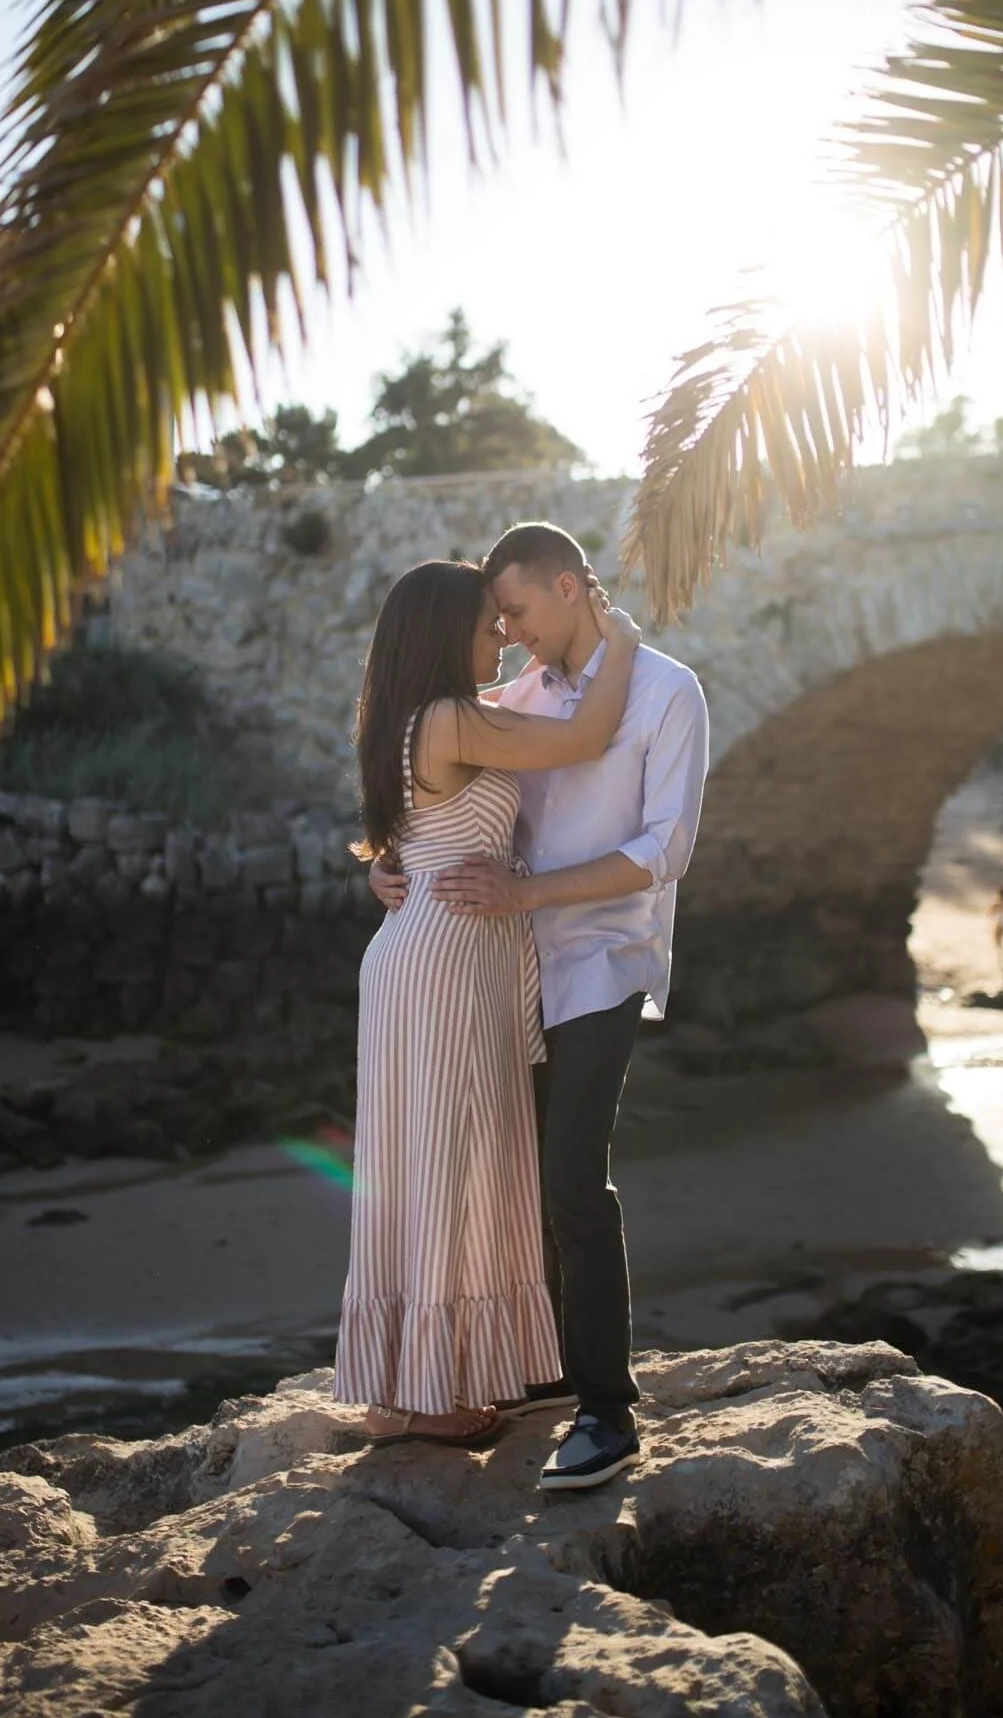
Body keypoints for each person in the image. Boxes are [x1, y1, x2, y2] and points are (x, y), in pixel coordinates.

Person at [371, 521, 710, 1491]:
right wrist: (392, 867)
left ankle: (606, 1408)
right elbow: (436, 800)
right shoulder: (510, 699)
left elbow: (663, 849)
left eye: (514, 610)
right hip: (502, 967)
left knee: (569, 1176)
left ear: (569, 587)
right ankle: (546, 1370)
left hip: (602, 958)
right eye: (495, 619)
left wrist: (527, 894)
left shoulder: (666, 690)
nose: (507, 632)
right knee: (513, 1174)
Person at [334, 559, 640, 1446]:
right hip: (448, 959)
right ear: (441, 637)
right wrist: (617, 639)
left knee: (426, 1161)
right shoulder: (447, 719)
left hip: (430, 949)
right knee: (445, 1164)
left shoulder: (417, 717)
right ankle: (427, 1401)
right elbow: (583, 737)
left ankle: (418, 1381)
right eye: (484, 625)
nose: (500, 636)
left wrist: (392, 874)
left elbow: (410, 839)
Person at [988, 886, 1003, 974]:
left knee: (997, 942)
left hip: (998, 924)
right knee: (1000, 942)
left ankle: (999, 958)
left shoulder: (997, 903)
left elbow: (990, 911)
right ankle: (1000, 958)